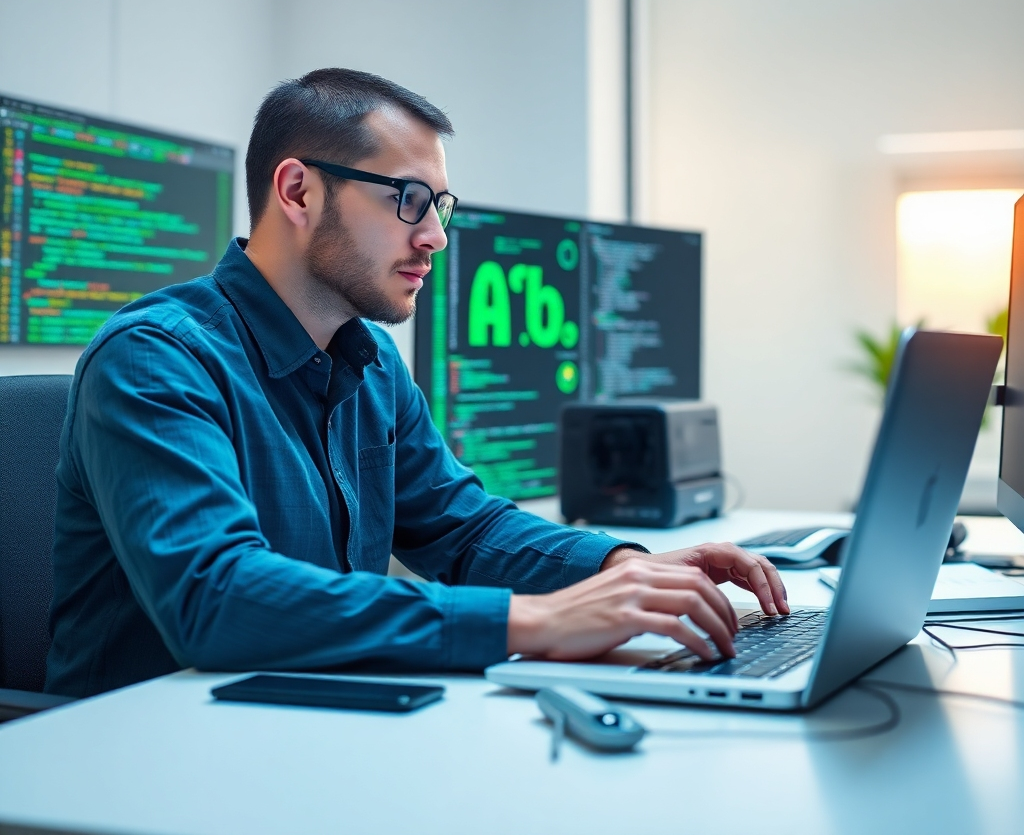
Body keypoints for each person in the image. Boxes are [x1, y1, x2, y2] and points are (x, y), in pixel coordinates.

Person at [45, 69, 788, 698]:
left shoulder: (367, 358)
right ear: (298, 192)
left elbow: (463, 529)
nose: (434, 235)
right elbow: (216, 597)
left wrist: (623, 569)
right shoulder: (155, 358)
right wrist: (534, 621)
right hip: (147, 756)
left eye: (440, 206)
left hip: (308, 721)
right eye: (408, 198)